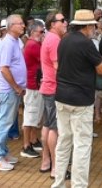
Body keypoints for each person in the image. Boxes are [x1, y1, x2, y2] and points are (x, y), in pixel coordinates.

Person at [49, 9, 102, 188]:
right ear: (88, 26)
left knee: (64, 141)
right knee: (82, 144)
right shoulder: (86, 43)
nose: (95, 29)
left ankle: (58, 183)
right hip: (81, 99)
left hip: (62, 97)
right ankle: (79, 185)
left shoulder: (64, 40)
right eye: (94, 26)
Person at [0, 14, 27, 172]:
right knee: (4, 123)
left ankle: (3, 153)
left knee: (7, 122)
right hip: (9, 90)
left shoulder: (14, 42)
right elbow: (4, 68)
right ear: (11, 26)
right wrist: (16, 86)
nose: (23, 26)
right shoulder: (7, 44)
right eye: (20, 24)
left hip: (13, 89)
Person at [39, 12, 66, 177]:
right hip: (54, 88)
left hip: (48, 87)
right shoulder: (55, 40)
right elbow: (58, 67)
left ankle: (46, 161)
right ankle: (56, 167)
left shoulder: (49, 38)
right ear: (52, 24)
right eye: (62, 20)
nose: (65, 23)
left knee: (48, 125)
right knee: (54, 128)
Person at [22, 20, 47, 159]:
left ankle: (32, 139)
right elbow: (45, 58)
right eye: (41, 32)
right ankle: (26, 145)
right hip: (32, 85)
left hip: (35, 84)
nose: (43, 34)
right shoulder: (33, 45)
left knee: (35, 115)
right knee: (30, 116)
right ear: (33, 33)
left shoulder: (34, 44)